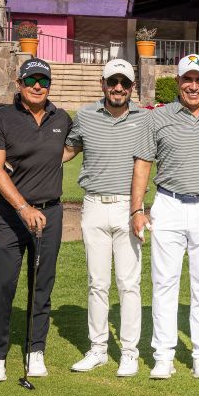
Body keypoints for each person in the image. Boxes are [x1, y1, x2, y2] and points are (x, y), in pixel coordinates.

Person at [130, 54, 199, 380]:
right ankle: (164, 356)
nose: (194, 85)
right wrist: (137, 209)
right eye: (188, 79)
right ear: (178, 82)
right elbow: (143, 163)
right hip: (168, 207)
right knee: (164, 284)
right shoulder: (157, 118)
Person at [0, 57, 72, 382]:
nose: (38, 86)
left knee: (42, 286)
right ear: (19, 84)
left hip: (51, 214)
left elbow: (69, 148)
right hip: (12, 216)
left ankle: (35, 350)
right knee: (3, 284)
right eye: (31, 80)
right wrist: (23, 207)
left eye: (43, 81)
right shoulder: (0, 119)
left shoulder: (61, 118)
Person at [62, 59, 150, 377]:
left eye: (124, 83)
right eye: (112, 82)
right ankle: (98, 349)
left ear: (131, 87)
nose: (118, 88)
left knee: (129, 284)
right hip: (93, 207)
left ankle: (129, 352)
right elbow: (69, 149)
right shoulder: (85, 115)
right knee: (97, 283)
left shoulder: (144, 119)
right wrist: (30, 160)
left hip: (129, 208)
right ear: (103, 84)